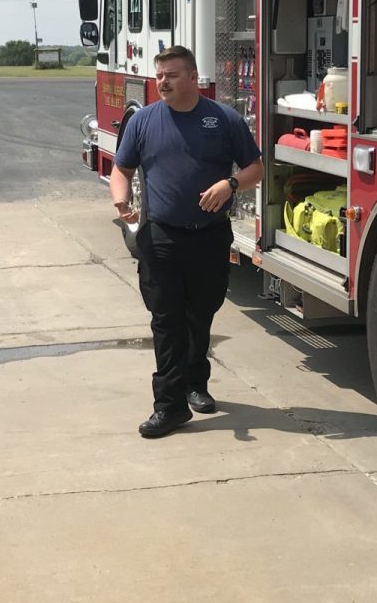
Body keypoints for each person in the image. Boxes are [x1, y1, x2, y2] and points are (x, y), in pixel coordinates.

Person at [109, 45, 263, 438]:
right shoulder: (143, 122)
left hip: (210, 237)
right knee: (167, 320)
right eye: (160, 75)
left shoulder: (223, 120)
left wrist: (229, 185)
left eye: (172, 75)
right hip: (161, 237)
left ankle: (196, 383)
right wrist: (120, 198)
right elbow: (121, 169)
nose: (163, 81)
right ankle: (169, 406)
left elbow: (256, 168)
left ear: (194, 78)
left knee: (201, 314)